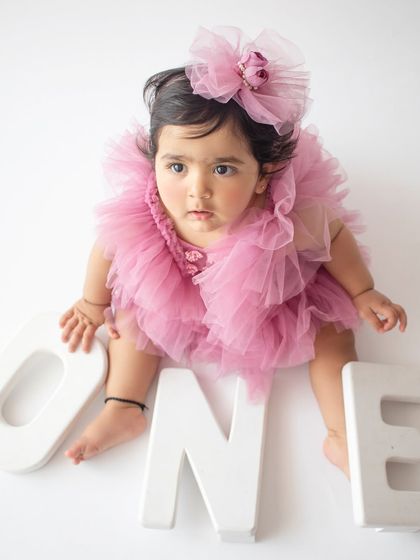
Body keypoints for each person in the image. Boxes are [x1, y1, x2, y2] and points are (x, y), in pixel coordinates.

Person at [59, 26, 407, 477]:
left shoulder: (282, 218)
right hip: (182, 295)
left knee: (333, 334)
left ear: (263, 176)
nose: (196, 190)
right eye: (177, 166)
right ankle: (124, 405)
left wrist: (363, 292)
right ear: (156, 160)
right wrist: (92, 302)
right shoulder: (150, 210)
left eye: (223, 168)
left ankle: (342, 435)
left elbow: (334, 234)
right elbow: (109, 245)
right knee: (132, 319)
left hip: (270, 302)